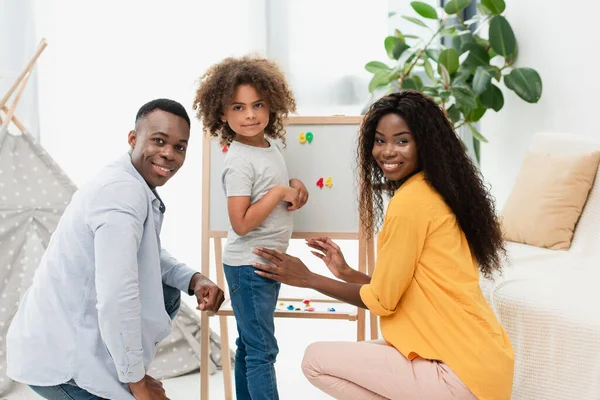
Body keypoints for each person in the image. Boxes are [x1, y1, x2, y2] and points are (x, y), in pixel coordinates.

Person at [252, 90, 515, 400]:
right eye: (380, 140)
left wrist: (307, 278)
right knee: (362, 356)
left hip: (458, 375)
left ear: (425, 145)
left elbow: (383, 303)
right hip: (485, 366)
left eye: (402, 141)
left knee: (315, 361)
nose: (388, 151)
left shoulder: (410, 203)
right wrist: (347, 273)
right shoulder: (436, 192)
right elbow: (403, 293)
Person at [7, 99, 225, 400]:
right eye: (159, 141)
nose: (169, 154)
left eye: (180, 147)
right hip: (62, 363)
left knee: (168, 289)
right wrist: (138, 386)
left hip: (68, 339)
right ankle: (123, 374)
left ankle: (124, 369)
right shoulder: (121, 195)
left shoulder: (132, 183)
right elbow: (116, 298)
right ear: (133, 139)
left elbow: (146, 255)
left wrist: (194, 279)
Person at [193, 55, 308, 400]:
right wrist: (277, 193)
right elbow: (241, 223)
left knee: (250, 345)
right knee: (262, 351)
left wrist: (293, 184)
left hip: (263, 262)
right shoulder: (240, 159)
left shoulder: (267, 145)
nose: (250, 115)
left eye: (257, 104)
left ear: (271, 103)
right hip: (249, 264)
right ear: (222, 114)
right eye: (238, 108)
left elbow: (269, 187)